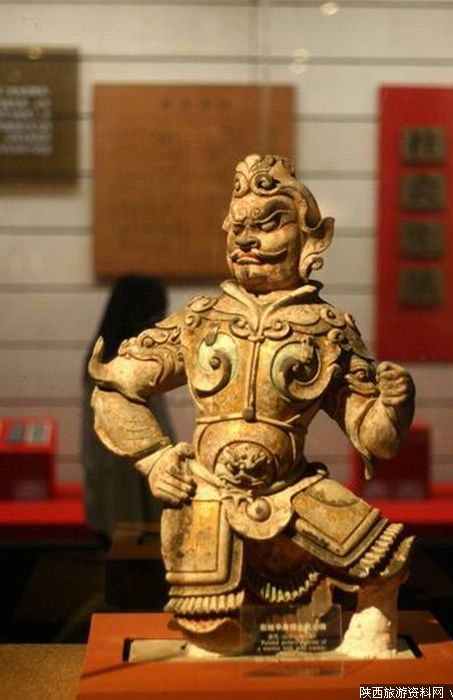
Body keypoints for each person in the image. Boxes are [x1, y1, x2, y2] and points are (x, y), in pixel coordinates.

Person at [88, 155, 415, 657]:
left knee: (382, 559)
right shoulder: (201, 320)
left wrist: (393, 404)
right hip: (207, 491)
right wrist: (155, 458)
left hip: (293, 488)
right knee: (211, 638)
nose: (247, 239)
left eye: (267, 225)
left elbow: (374, 437)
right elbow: (115, 389)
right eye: (238, 227)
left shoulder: (327, 330)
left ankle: (368, 627)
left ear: (313, 239)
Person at [82, 275, 174, 544]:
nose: (159, 324)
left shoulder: (130, 357)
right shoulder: (116, 363)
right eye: (155, 315)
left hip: (127, 470)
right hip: (122, 471)